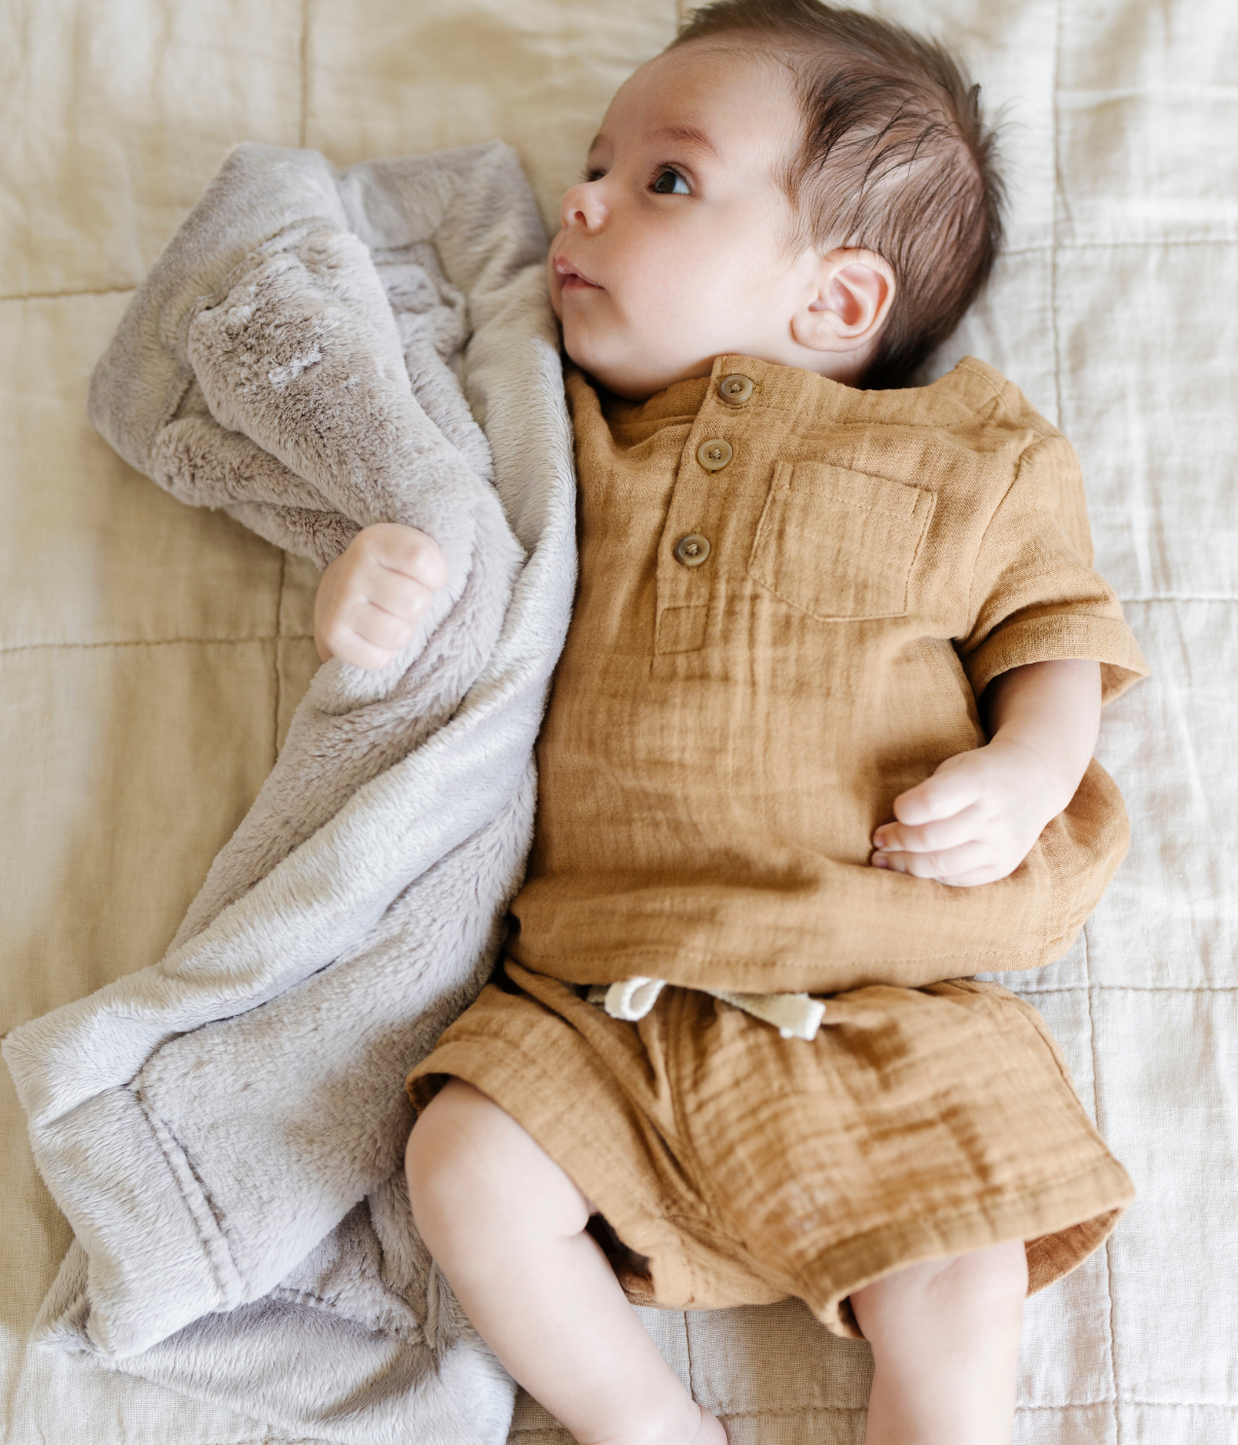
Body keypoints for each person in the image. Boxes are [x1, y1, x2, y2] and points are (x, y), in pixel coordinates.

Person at [313, 2, 1147, 1441]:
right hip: (598, 1001)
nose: (580, 196)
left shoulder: (967, 452)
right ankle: (641, 1423)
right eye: (596, 161)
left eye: (666, 180)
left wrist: (1026, 768)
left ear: (835, 301)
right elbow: (450, 546)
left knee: (965, 1259)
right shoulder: (549, 434)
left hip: (885, 989)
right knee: (461, 1159)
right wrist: (376, 582)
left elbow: (1055, 635)